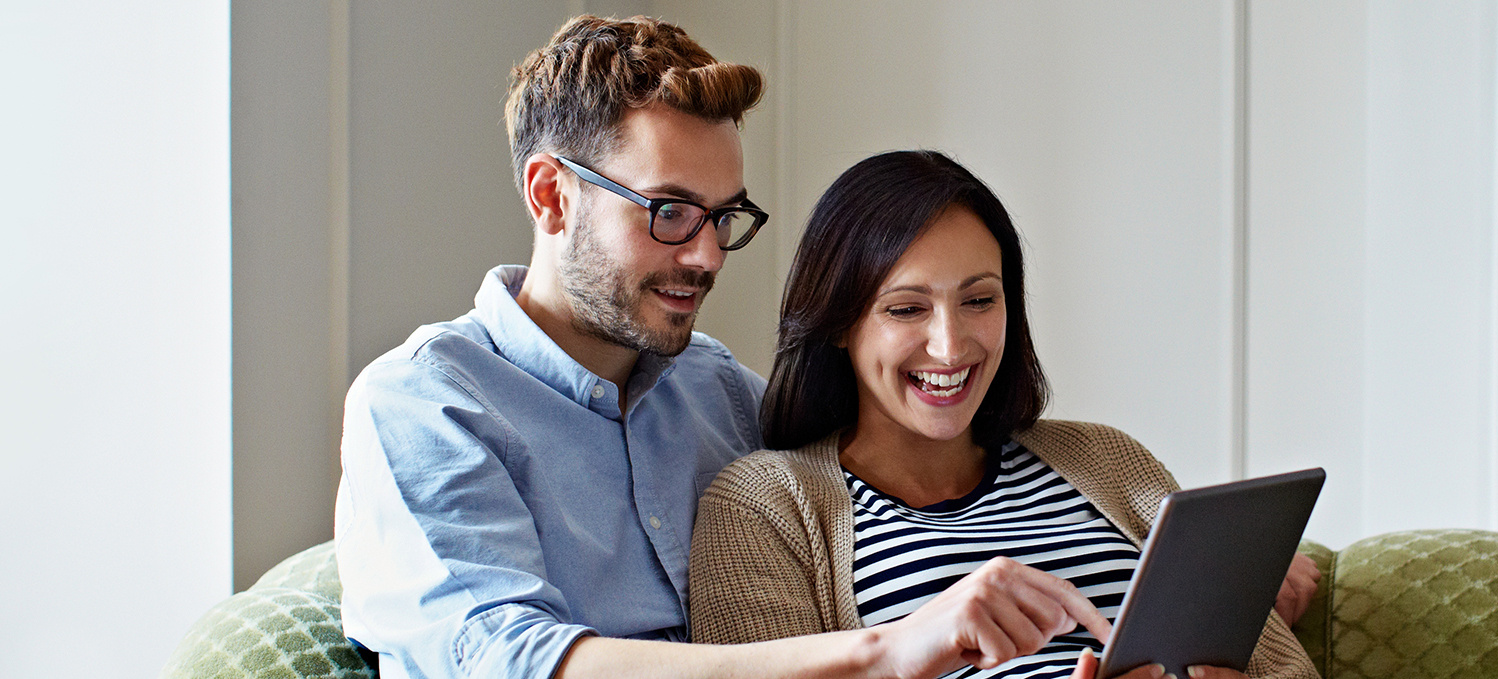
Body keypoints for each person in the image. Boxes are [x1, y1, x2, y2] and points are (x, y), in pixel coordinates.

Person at [335, 16, 1164, 679]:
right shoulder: (424, 402)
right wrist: (889, 650)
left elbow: (868, 521)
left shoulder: (721, 391)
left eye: (723, 215)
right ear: (551, 194)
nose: (704, 255)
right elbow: (504, 658)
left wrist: (1197, 581)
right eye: (668, 211)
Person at [687, 150, 1321, 679]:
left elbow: (1287, 669)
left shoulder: (1106, 459)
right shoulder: (764, 507)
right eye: (906, 309)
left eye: (979, 300)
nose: (952, 344)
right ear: (838, 323)